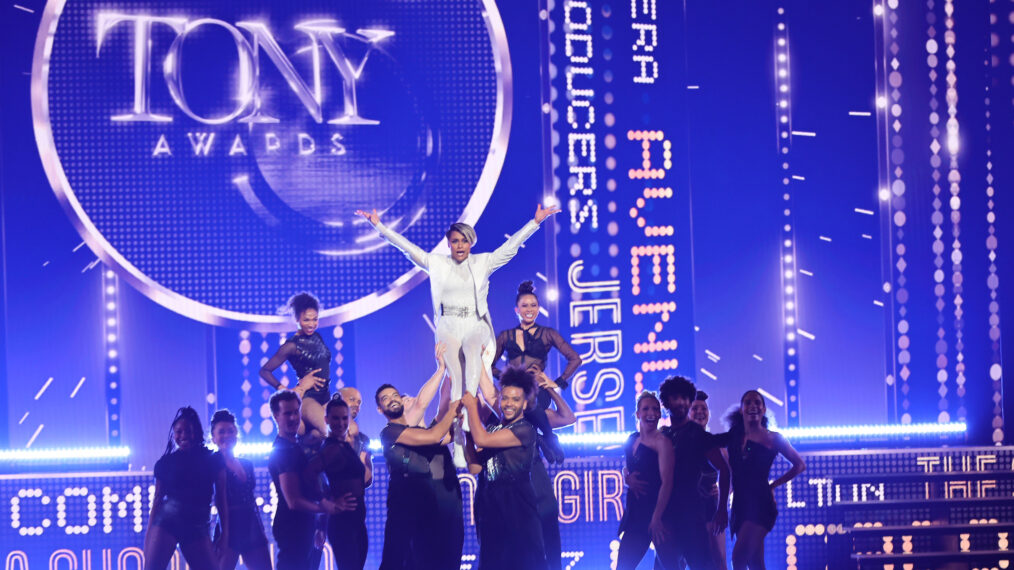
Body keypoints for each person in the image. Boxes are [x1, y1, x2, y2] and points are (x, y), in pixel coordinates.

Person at [356, 204, 560, 465]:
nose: (460, 246)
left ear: (471, 242)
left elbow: (508, 250)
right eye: (455, 241)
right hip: (449, 325)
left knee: (473, 354)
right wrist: (379, 227)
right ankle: (459, 432)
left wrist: (535, 222)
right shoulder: (437, 263)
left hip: (476, 324)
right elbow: (408, 248)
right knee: (454, 370)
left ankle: (466, 428)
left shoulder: (482, 262)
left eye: (464, 241)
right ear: (449, 243)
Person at [634, 376, 728, 570]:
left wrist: (721, 510)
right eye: (676, 397)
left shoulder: (699, 435)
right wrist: (629, 476)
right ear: (667, 401)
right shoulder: (662, 435)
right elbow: (642, 467)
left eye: (686, 398)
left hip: (692, 516)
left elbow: (725, 470)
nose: (682, 402)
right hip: (665, 516)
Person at [462, 368, 547, 570]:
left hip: (516, 503)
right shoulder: (494, 429)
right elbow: (474, 467)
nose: (509, 403)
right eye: (505, 398)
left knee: (523, 561)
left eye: (515, 399)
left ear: (525, 403)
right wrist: (465, 434)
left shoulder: (525, 430)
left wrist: (472, 407)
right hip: (488, 501)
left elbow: (482, 439)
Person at [376, 379, 464, 570]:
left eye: (396, 396)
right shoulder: (390, 432)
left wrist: (449, 372)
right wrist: (451, 411)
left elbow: (441, 430)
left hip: (433, 503)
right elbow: (433, 427)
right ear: (379, 409)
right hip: (406, 505)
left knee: (436, 556)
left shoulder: (426, 433)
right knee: (400, 558)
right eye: (385, 398)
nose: (394, 400)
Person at [494, 280, 582, 466]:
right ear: (516, 309)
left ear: (539, 308)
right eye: (524, 305)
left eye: (533, 305)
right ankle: (544, 438)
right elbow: (488, 365)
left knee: (529, 400)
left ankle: (548, 437)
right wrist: (505, 377)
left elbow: (575, 359)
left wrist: (557, 383)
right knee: (518, 404)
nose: (529, 309)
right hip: (513, 391)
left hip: (537, 391)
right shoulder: (505, 336)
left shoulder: (548, 334)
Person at [716, 391, 805, 570]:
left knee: (739, 558)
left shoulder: (773, 438)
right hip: (740, 506)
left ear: (763, 409)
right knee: (756, 563)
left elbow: (799, 465)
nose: (752, 406)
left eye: (757, 402)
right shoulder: (734, 436)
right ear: (741, 409)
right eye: (747, 402)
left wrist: (773, 485)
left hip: (761, 505)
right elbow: (711, 443)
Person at [268, 391, 344, 570]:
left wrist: (318, 522)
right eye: (288, 413)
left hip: (303, 524)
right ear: (276, 416)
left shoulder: (293, 446)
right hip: (292, 525)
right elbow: (293, 501)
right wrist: (323, 507)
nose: (294, 417)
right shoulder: (283, 451)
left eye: (296, 411)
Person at [144, 407, 225, 570]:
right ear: (173, 435)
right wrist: (149, 533)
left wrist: (224, 533)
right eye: (178, 432)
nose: (183, 436)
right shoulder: (165, 463)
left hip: (197, 526)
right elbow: (157, 501)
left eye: (187, 430)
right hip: (167, 522)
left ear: (196, 431)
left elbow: (221, 499)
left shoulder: (212, 460)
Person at [309, 396, 373, 570]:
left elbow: (363, 480)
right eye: (335, 418)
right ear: (326, 419)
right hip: (343, 523)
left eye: (344, 418)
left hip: (357, 520)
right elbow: (309, 473)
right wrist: (325, 503)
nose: (340, 423)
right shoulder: (331, 448)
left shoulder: (344, 445)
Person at [260, 292, 332, 439]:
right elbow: (265, 371)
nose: (312, 324)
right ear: (297, 319)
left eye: (315, 319)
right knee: (331, 433)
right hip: (309, 399)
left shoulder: (317, 336)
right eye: (306, 320)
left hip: (325, 397)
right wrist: (287, 391)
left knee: (319, 437)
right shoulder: (292, 345)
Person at [617, 391, 674, 570]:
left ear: (659, 414)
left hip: (659, 516)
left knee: (671, 567)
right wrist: (627, 477)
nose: (651, 413)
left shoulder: (662, 442)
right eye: (646, 409)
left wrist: (656, 518)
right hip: (635, 515)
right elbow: (628, 467)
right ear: (638, 414)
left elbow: (667, 482)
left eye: (655, 409)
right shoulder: (631, 439)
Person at [209, 409, 272, 570]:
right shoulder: (212, 463)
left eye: (230, 431)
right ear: (213, 437)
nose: (227, 436)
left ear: (236, 433)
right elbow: (218, 499)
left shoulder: (247, 464)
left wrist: (260, 530)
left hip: (251, 524)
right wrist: (224, 534)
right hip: (228, 527)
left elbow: (250, 499)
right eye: (221, 432)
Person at [690, 391, 728, 570]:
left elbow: (732, 474)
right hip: (686, 511)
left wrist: (723, 492)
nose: (700, 411)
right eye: (694, 408)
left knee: (718, 561)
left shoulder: (717, 445)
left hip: (712, 510)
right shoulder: (675, 443)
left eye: (703, 408)